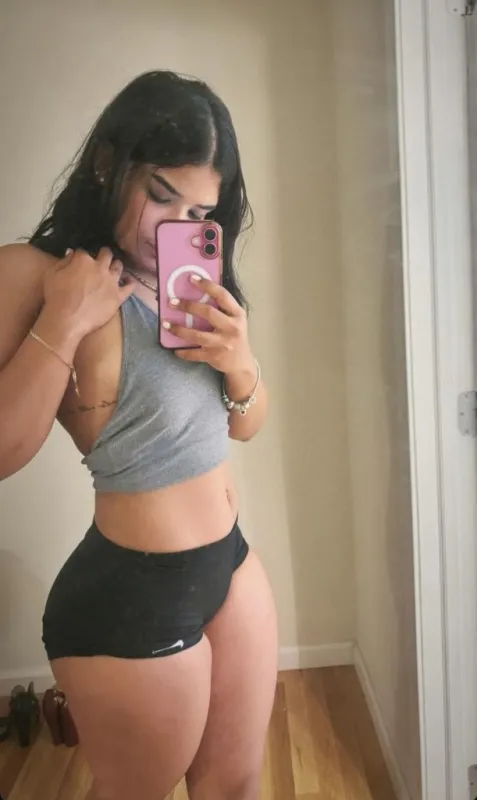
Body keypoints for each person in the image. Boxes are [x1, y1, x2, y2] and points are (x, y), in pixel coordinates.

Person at [0, 70, 277, 800]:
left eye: (198, 209)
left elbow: (245, 427)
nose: (175, 226)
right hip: (131, 595)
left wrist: (240, 362)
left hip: (230, 563)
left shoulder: (194, 282)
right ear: (107, 163)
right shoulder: (36, 274)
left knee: (235, 787)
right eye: (160, 194)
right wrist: (63, 321)